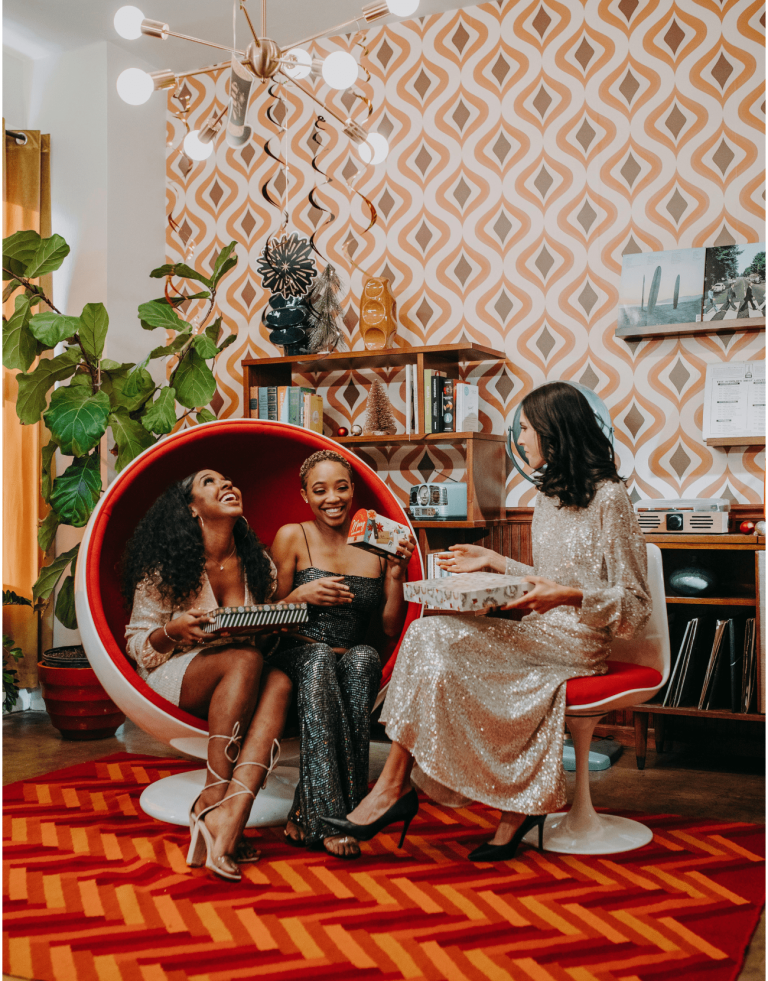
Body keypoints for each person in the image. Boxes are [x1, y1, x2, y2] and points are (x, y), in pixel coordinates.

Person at [324, 382, 651, 862]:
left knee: (436, 641)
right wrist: (495, 561)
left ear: (554, 432)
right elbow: (547, 580)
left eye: (525, 430)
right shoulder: (546, 499)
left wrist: (571, 595)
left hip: (578, 645)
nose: (518, 440)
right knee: (426, 630)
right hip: (537, 631)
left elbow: (635, 604)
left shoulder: (610, 499)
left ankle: (407, 793)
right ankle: (395, 786)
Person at [123, 470, 293, 882]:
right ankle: (213, 798)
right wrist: (174, 630)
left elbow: (263, 636)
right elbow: (137, 644)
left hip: (239, 671)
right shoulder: (167, 565)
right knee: (244, 662)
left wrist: (276, 622)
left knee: (280, 681)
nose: (227, 485)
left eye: (230, 481)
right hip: (176, 673)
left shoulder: (259, 563)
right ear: (192, 508)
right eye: (209, 482)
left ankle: (231, 815)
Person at [270, 450, 415, 858]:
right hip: (295, 652)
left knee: (365, 656)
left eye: (341, 487)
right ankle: (331, 816)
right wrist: (300, 596)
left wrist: (395, 575)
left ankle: (320, 813)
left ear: (352, 491)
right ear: (305, 496)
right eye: (320, 490)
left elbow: (389, 628)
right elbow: (266, 617)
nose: (332, 498)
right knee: (318, 658)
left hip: (345, 657)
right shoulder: (291, 536)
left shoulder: (375, 544)